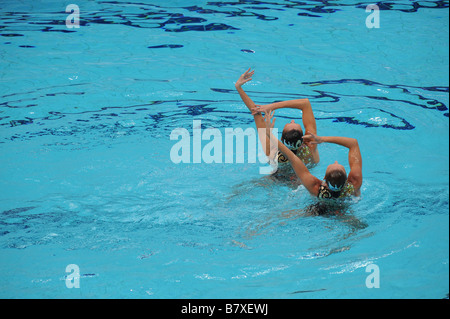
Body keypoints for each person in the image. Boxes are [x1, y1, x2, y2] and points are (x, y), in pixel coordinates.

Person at [235, 68, 320, 175]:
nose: (292, 120)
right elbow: (305, 103)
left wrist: (238, 88)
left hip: (277, 179)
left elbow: (256, 113)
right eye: (293, 122)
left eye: (290, 123)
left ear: (281, 139)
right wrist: (272, 106)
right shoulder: (311, 147)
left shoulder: (273, 151)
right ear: (304, 139)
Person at [263, 110, 363, 200]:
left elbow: (292, 157)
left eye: (333, 164)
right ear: (346, 181)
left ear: (324, 178)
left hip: (316, 209)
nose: (336, 161)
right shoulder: (354, 185)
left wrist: (269, 134)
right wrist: (323, 139)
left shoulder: (314, 187)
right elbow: (353, 143)